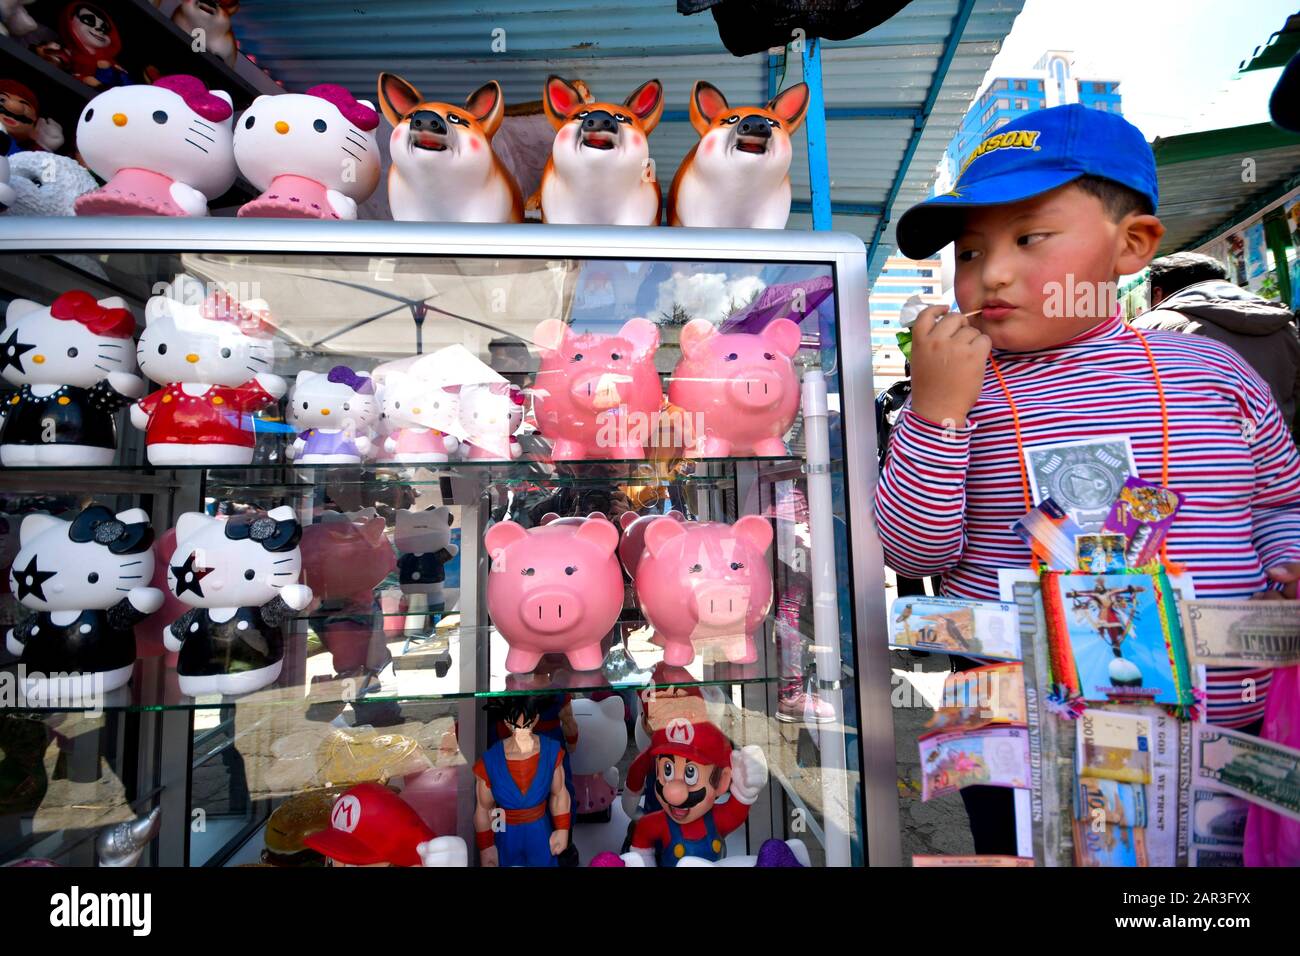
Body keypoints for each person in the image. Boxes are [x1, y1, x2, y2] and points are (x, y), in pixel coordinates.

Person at [878, 103, 1300, 853]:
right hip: (1025, 746)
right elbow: (916, 553)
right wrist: (937, 411)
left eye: (1028, 238)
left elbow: (1277, 501)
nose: (991, 272)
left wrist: (1288, 560)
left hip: (1226, 732)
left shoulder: (1213, 371)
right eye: (969, 253)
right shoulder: (954, 391)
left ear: (1132, 245)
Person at [1132, 252, 1300, 435]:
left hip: (1192, 452)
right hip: (1273, 449)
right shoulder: (1283, 324)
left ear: (1157, 292)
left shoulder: (1151, 326)